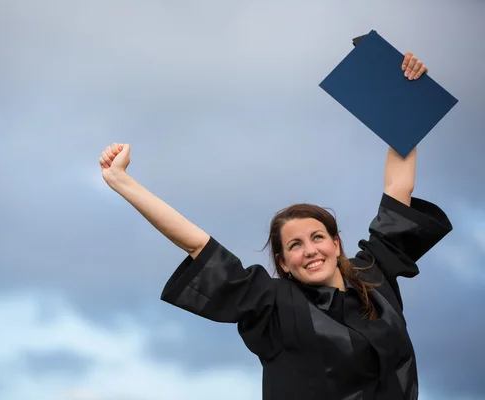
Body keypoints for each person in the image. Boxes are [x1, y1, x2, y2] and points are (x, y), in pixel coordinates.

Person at [98, 47, 452, 399]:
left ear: (336, 243)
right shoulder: (274, 304)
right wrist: (122, 182)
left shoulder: (374, 276)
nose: (310, 250)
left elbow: (398, 188)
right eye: (295, 245)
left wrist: (404, 91)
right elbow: (196, 244)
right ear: (283, 262)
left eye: (317, 237)